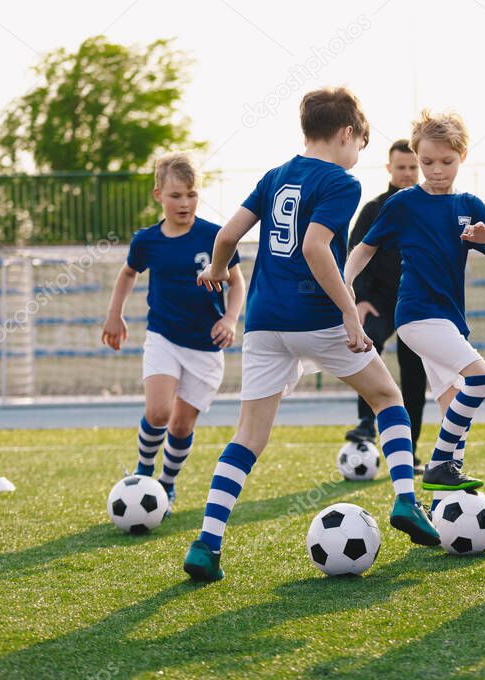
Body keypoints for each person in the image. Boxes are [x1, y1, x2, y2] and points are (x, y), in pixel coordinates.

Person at [182, 87, 438, 583]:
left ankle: (207, 544)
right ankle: (407, 500)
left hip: (262, 323)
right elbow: (316, 247)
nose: (357, 155)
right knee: (389, 398)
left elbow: (227, 237)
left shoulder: (275, 176)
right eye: (360, 144)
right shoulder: (340, 182)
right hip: (317, 318)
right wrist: (348, 312)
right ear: (347, 134)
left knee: (249, 436)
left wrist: (216, 269)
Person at [345, 109, 485, 513]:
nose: (436, 170)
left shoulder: (470, 204)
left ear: (463, 156)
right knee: (481, 378)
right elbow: (364, 247)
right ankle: (440, 464)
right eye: (427, 162)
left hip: (449, 317)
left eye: (446, 162)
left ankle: (446, 495)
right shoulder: (404, 204)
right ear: (417, 157)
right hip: (417, 316)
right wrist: (346, 283)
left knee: (451, 398)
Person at [102, 151, 245, 516]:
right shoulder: (147, 240)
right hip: (163, 336)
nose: (184, 203)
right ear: (158, 196)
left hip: (205, 347)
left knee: (181, 426)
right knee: (159, 410)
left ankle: (166, 485)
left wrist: (230, 318)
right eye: (176, 195)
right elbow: (128, 273)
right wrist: (114, 315)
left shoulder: (216, 236)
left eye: (191, 194)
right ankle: (143, 472)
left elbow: (237, 282)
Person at [345, 139, 427, 474]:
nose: (407, 174)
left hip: (414, 300)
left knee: (414, 372)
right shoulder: (374, 209)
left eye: (412, 167)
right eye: (401, 167)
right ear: (389, 169)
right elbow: (355, 251)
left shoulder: (428, 206)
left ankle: (411, 448)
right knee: (368, 345)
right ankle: (367, 422)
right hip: (378, 299)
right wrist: (360, 299)